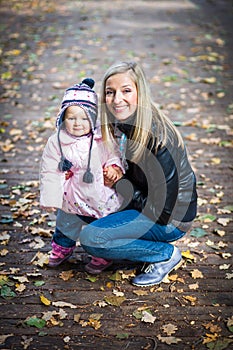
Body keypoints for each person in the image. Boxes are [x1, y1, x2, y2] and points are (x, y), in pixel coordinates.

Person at [79, 61, 198, 287]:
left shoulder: (157, 140)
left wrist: (119, 183)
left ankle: (163, 254)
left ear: (139, 93)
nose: (116, 100)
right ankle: (118, 247)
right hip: (144, 203)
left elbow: (162, 212)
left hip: (170, 219)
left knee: (92, 238)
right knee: (81, 204)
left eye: (126, 91)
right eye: (110, 92)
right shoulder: (123, 125)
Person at [40, 78, 124, 273]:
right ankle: (62, 248)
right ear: (62, 118)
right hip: (69, 196)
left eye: (84, 118)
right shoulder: (57, 142)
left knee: (98, 223)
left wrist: (113, 168)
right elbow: (49, 170)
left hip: (96, 195)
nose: (78, 123)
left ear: (93, 118)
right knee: (65, 225)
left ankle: (101, 253)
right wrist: (50, 197)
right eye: (72, 118)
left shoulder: (101, 140)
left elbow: (113, 155)